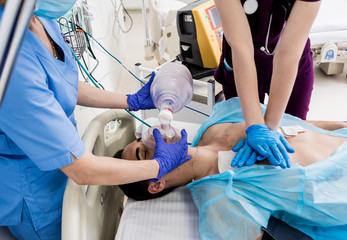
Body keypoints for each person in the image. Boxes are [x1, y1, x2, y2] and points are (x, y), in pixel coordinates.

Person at [0, 1, 190, 239]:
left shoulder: (40, 17)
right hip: (36, 192)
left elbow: (60, 85)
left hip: (63, 160)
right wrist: (158, 165)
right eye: (141, 151)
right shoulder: (9, 55)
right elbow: (82, 169)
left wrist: (130, 100)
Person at [119, 98, 347, 239]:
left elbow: (301, 126)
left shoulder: (218, 120)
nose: (154, 137)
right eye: (144, 153)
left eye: (143, 139)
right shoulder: (218, 198)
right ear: (157, 184)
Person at [213, 0, 321, 169]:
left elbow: (289, 53)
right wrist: (256, 126)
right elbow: (241, 46)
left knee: (293, 136)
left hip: (291, 66)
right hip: (241, 64)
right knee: (239, 137)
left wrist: (270, 127)